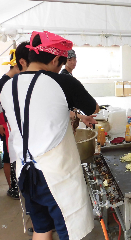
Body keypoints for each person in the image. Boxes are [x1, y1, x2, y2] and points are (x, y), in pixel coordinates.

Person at [0, 31, 99, 240]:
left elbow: (38, 112)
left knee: (41, 228)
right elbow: (93, 107)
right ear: (55, 59)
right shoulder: (63, 82)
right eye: (61, 64)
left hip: (25, 172)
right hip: (54, 175)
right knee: (69, 233)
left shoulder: (8, 86)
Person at [0, 49, 20, 199]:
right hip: (4, 123)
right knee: (8, 155)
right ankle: (11, 187)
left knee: (14, 153)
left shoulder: (15, 81)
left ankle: (16, 184)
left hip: (12, 122)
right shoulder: (3, 82)